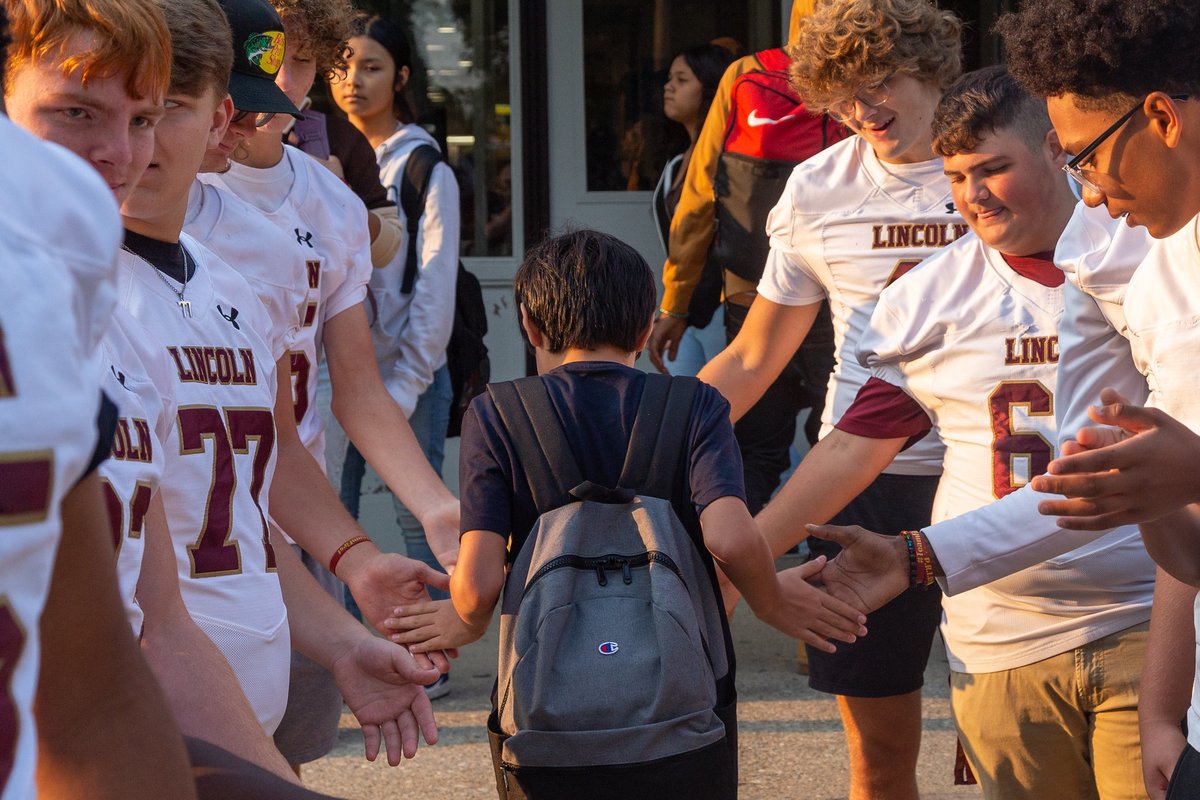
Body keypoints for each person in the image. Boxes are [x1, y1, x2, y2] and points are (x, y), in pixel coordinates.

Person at [774, 65, 1154, 799]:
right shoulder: (930, 293)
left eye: (993, 168)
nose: (973, 194)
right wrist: (743, 560)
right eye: (956, 175)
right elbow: (855, 446)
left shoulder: (1140, 250)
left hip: (1141, 611)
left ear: (1053, 148)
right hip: (1000, 632)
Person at [386, 228, 866, 797]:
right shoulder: (695, 405)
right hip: (682, 722)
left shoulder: (497, 415)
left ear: (529, 325)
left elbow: (480, 581)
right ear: (645, 328)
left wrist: (464, 620)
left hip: (549, 727)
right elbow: (732, 540)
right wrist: (770, 599)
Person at [111, 0, 444, 767]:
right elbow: (150, 600)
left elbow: (245, 498)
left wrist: (345, 612)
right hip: (146, 731)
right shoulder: (75, 296)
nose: (128, 142)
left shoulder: (231, 277)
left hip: (240, 685)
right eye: (122, 113)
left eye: (158, 114)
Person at [694, 2, 965, 797]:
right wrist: (643, 431)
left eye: (879, 82)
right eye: (840, 95)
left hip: (998, 468)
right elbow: (752, 358)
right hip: (863, 485)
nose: (861, 109)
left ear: (933, 66)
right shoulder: (818, 185)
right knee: (879, 756)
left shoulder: (1012, 163)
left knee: (1014, 735)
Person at [0, 3, 196, 795]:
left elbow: (93, 691)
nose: (120, 155)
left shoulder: (56, 221)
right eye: (76, 112)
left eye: (143, 119)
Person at [331, 15, 461, 619]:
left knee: (421, 519)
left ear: (402, 76)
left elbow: (435, 287)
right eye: (343, 65)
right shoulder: (312, 151)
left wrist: (406, 385)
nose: (352, 80)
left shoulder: (423, 166)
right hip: (336, 376)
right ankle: (352, 650)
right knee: (336, 518)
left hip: (412, 374)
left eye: (372, 66)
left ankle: (427, 648)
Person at [651, 43, 735, 378]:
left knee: (725, 417)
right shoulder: (674, 166)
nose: (668, 87)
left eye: (682, 79)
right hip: (682, 312)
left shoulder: (732, 162)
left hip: (724, 311)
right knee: (681, 416)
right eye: (670, 78)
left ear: (710, 89)